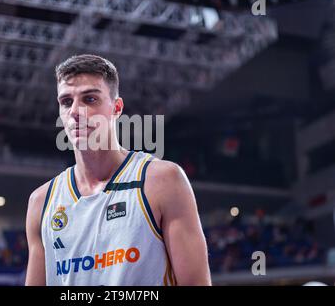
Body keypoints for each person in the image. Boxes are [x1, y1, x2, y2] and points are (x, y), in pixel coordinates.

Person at [25, 54, 211, 285]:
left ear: (116, 107)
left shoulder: (162, 181)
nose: (75, 111)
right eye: (66, 102)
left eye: (89, 99)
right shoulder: (41, 202)